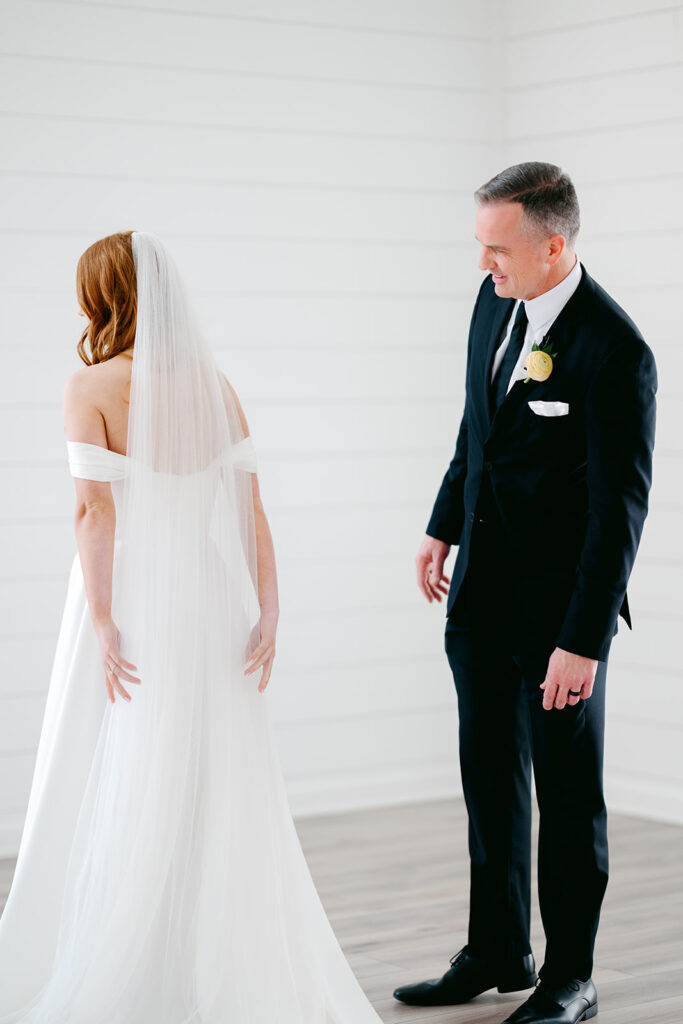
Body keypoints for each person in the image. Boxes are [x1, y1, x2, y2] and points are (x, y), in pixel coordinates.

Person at [0, 230, 384, 1024]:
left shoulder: (89, 386)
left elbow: (94, 511)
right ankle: (207, 959)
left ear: (103, 297)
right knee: (209, 771)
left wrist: (102, 619)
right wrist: (268, 610)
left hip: (133, 596)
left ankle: (127, 957)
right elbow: (251, 510)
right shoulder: (217, 386)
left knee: (115, 764)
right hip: (209, 599)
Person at [393, 163, 657, 1024]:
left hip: (558, 619)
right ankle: (497, 949)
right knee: (489, 782)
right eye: (480, 246)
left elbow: (617, 513)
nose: (483, 264)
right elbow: (476, 424)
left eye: (497, 249)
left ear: (553, 246)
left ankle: (570, 977)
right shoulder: (491, 303)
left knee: (567, 799)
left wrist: (583, 641)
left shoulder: (615, 351)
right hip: (478, 601)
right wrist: (442, 524)